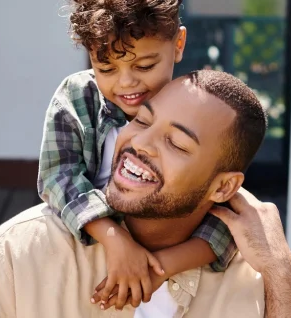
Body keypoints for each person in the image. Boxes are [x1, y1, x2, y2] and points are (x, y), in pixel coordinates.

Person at [0, 70, 291, 317]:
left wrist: (280, 266)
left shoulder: (252, 281)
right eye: (141, 120)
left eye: (175, 143)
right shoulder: (21, 252)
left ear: (223, 187)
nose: (140, 143)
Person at [37, 0, 238, 309]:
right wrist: (115, 239)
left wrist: (160, 265)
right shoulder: (78, 98)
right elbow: (57, 176)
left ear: (178, 44)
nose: (126, 82)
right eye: (105, 68)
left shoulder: (198, 109)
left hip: (173, 275)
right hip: (86, 255)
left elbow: (228, 216)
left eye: (144, 66)